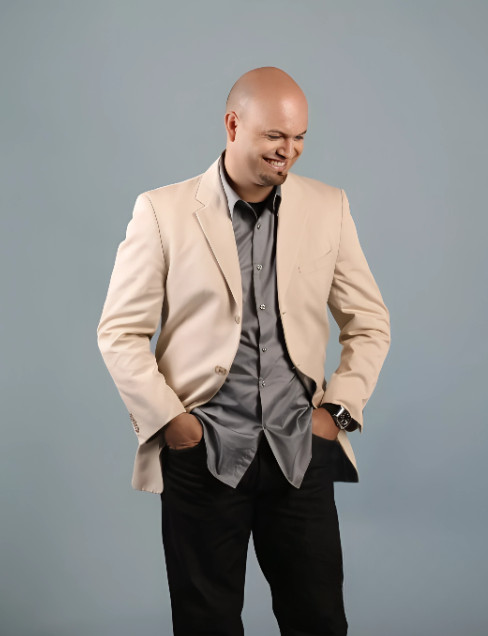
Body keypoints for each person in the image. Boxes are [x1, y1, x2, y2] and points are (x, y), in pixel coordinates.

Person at [95, 66, 391, 636]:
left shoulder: (329, 207)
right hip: (202, 455)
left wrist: (337, 414)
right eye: (276, 136)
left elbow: (369, 321)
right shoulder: (162, 212)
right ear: (233, 125)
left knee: (320, 621)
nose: (291, 150)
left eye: (300, 136)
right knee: (206, 625)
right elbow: (120, 332)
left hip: (300, 454)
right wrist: (174, 425)